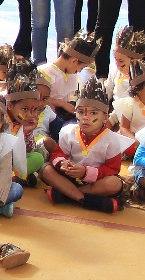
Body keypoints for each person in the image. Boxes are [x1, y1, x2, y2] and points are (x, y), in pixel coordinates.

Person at [41, 77, 129, 213]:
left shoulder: (112, 140)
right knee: (46, 170)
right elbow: (58, 153)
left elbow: (112, 169)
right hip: (70, 178)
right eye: (81, 112)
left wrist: (86, 172)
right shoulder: (68, 131)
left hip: (95, 183)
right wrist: (63, 163)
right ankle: (85, 200)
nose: (85, 117)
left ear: (105, 117)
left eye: (93, 113)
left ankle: (67, 195)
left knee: (114, 183)